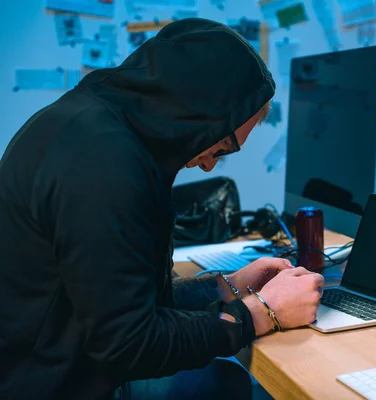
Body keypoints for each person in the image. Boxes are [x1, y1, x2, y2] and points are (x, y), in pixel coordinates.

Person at [0, 18, 325, 400]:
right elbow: (131, 344)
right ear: (198, 113)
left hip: (60, 360)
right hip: (49, 384)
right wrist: (262, 313)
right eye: (221, 146)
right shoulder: (104, 165)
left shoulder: (92, 125)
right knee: (238, 385)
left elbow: (121, 296)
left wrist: (229, 288)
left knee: (226, 381)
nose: (208, 165)